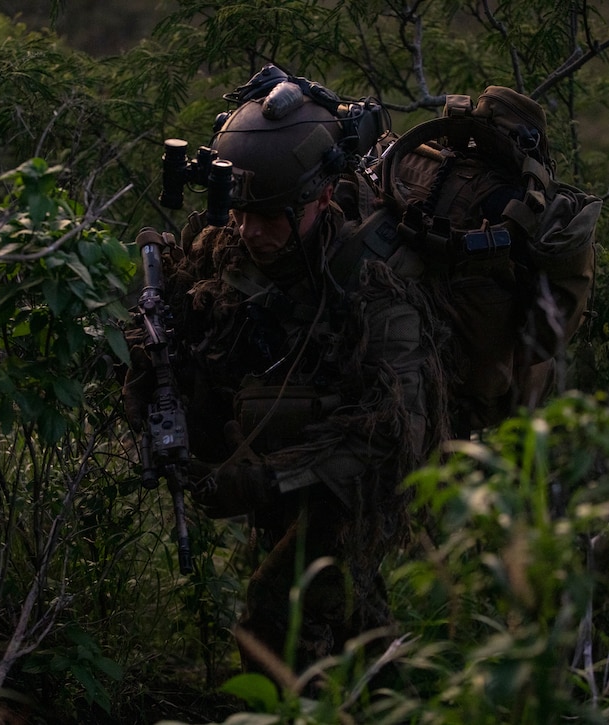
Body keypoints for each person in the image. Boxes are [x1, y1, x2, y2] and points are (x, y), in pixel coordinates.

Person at [124, 66, 453, 678]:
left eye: (269, 215)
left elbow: (391, 436)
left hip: (350, 493)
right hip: (279, 469)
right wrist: (149, 373)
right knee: (350, 629)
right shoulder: (226, 249)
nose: (248, 231)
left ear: (320, 199)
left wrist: (265, 482)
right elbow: (184, 342)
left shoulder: (376, 293)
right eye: (239, 212)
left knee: (273, 616)